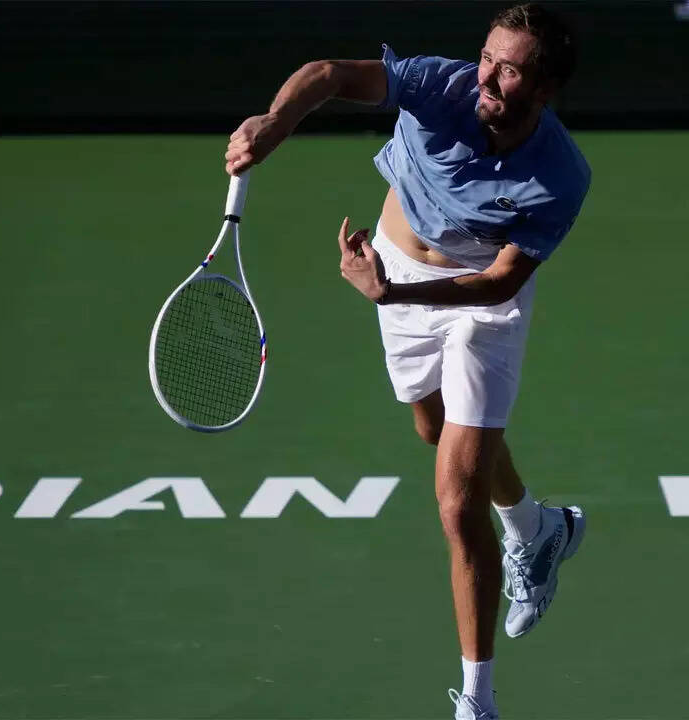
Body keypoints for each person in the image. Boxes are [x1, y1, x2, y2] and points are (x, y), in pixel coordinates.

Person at [225, 4, 590, 718]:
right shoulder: (439, 86)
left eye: (510, 69)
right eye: (487, 55)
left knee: (457, 503)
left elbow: (500, 283)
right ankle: (537, 528)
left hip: (479, 304)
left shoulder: (559, 175)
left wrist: (390, 293)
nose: (487, 75)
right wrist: (275, 122)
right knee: (434, 429)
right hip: (394, 270)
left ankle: (477, 701)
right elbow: (328, 75)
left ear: (544, 91)